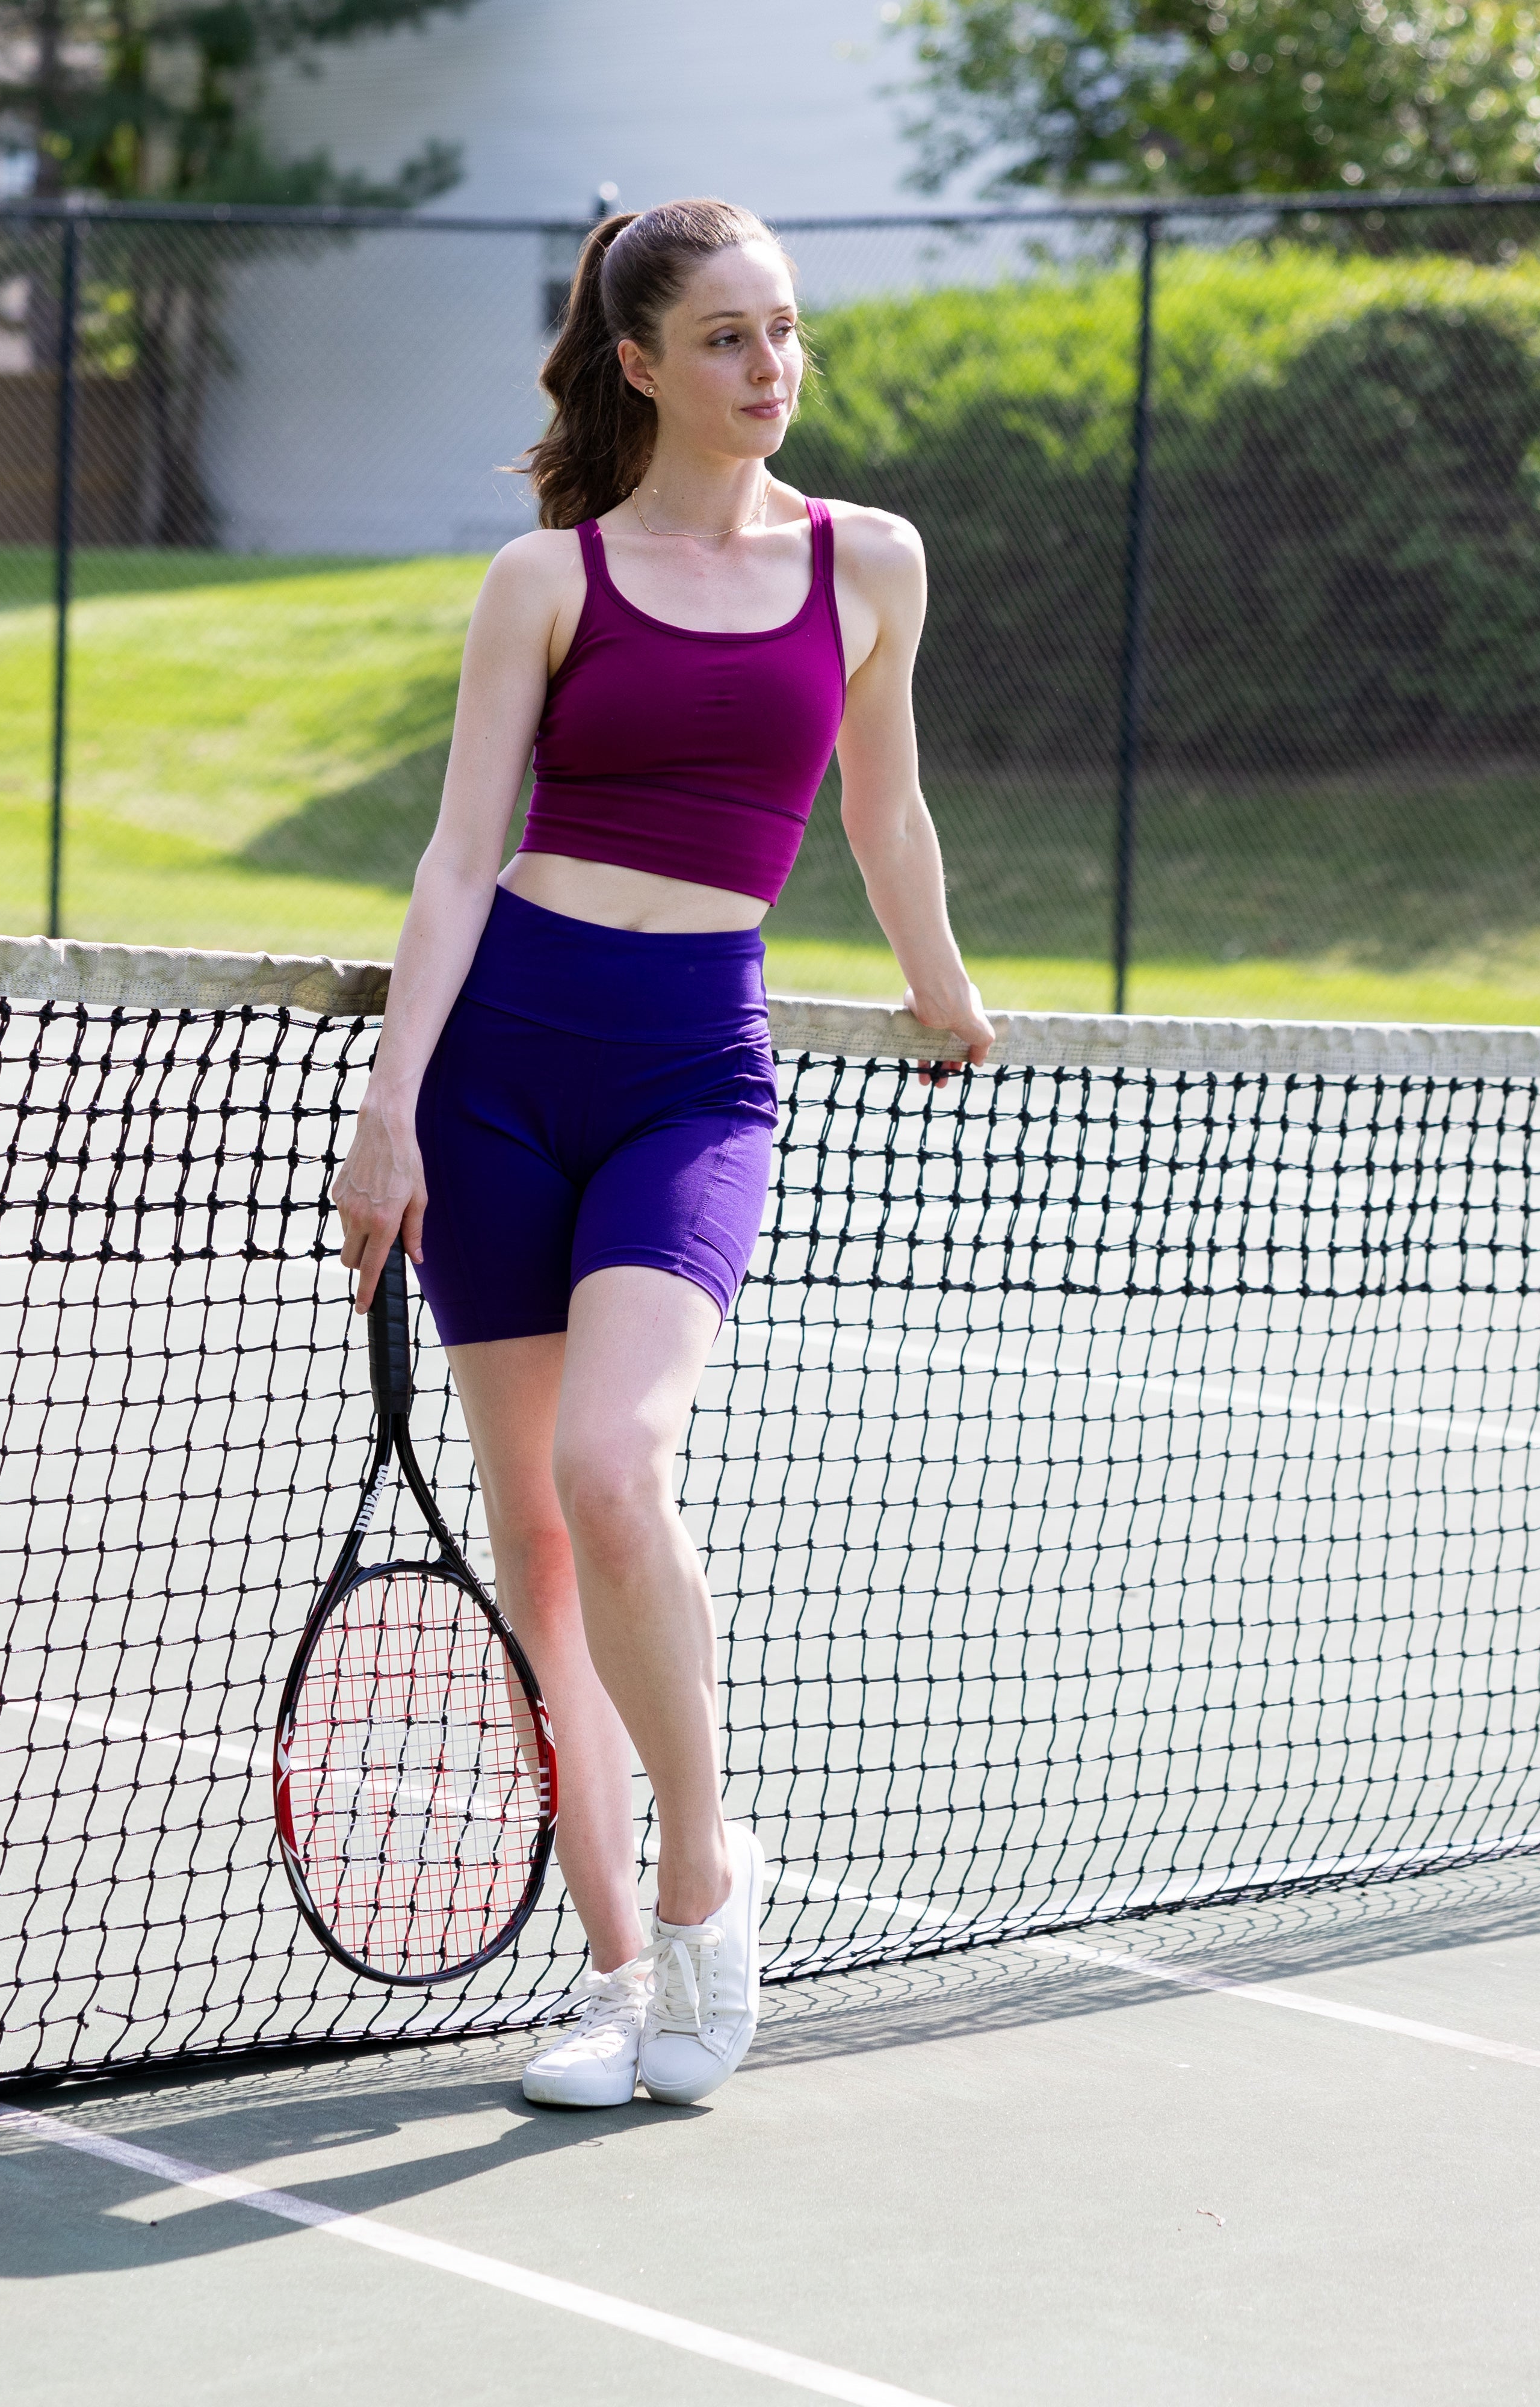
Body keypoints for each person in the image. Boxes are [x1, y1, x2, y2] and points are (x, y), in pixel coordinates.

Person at [330, 196, 995, 2109]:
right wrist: (390, 1114)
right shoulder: (545, 582)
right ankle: (623, 1979)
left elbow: (889, 815)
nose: (768, 368)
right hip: (497, 1070)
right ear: (638, 365)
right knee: (541, 1537)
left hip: (693, 1075)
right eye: (723, 338)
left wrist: (945, 989)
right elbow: (459, 857)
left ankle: (709, 1908)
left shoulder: (872, 563)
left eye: (782, 332)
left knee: (618, 1466)